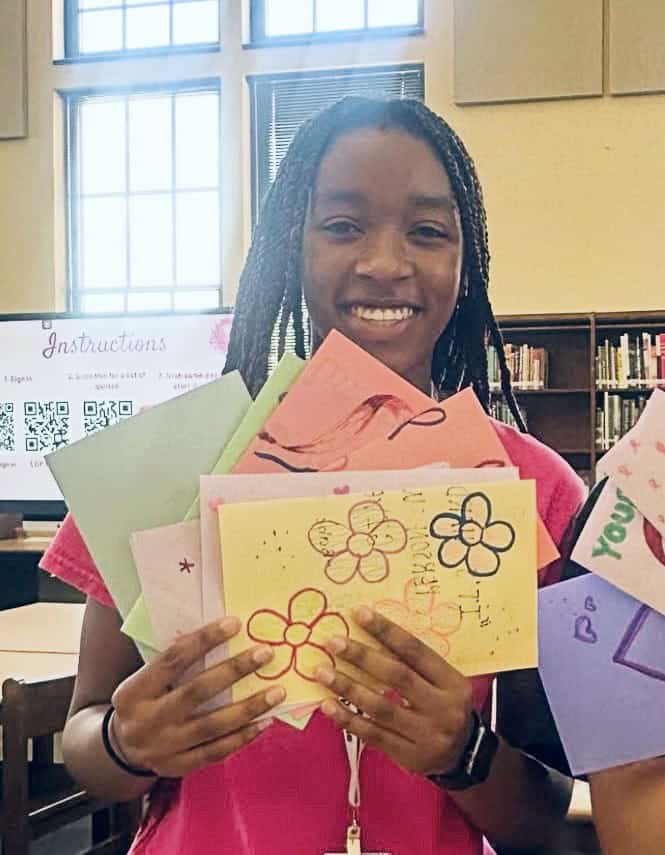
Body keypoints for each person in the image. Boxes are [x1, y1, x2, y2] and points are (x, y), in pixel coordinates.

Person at [47, 97, 586, 854]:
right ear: (289, 249)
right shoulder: (172, 462)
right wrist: (126, 741)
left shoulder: (529, 488)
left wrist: (463, 754)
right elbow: (84, 736)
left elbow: (547, 809)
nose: (384, 262)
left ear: (467, 267)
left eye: (428, 231)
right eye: (341, 225)